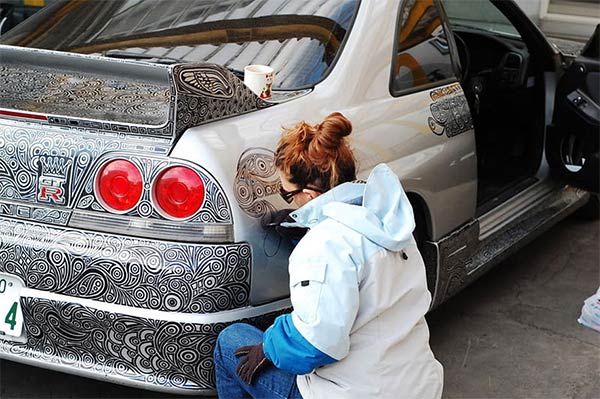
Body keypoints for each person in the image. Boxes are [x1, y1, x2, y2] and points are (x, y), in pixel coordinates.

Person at [213, 112, 443, 398]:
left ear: (309, 194)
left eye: (288, 195)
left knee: (229, 342)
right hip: (417, 387)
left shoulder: (323, 246)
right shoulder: (390, 224)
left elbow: (316, 345)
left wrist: (269, 345)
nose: (290, 203)